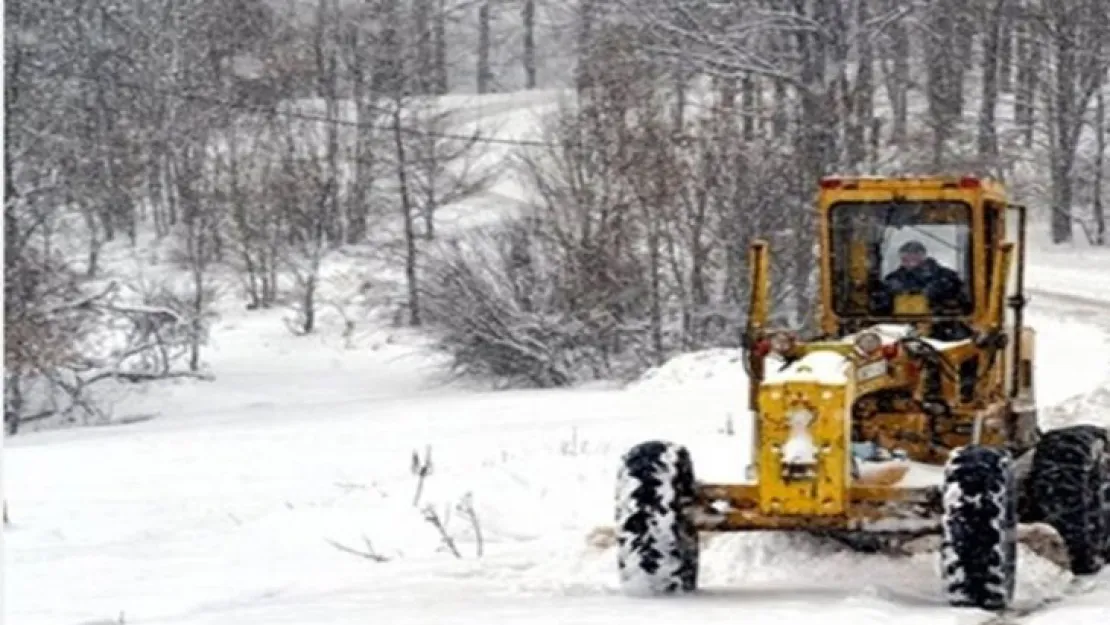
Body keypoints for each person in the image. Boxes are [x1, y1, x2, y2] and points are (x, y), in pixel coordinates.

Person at [878, 240, 969, 314]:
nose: (910, 262)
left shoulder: (947, 277)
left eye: (914, 258)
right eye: (906, 259)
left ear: (923, 256)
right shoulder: (892, 280)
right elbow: (882, 306)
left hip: (941, 326)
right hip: (895, 327)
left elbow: (960, 302)